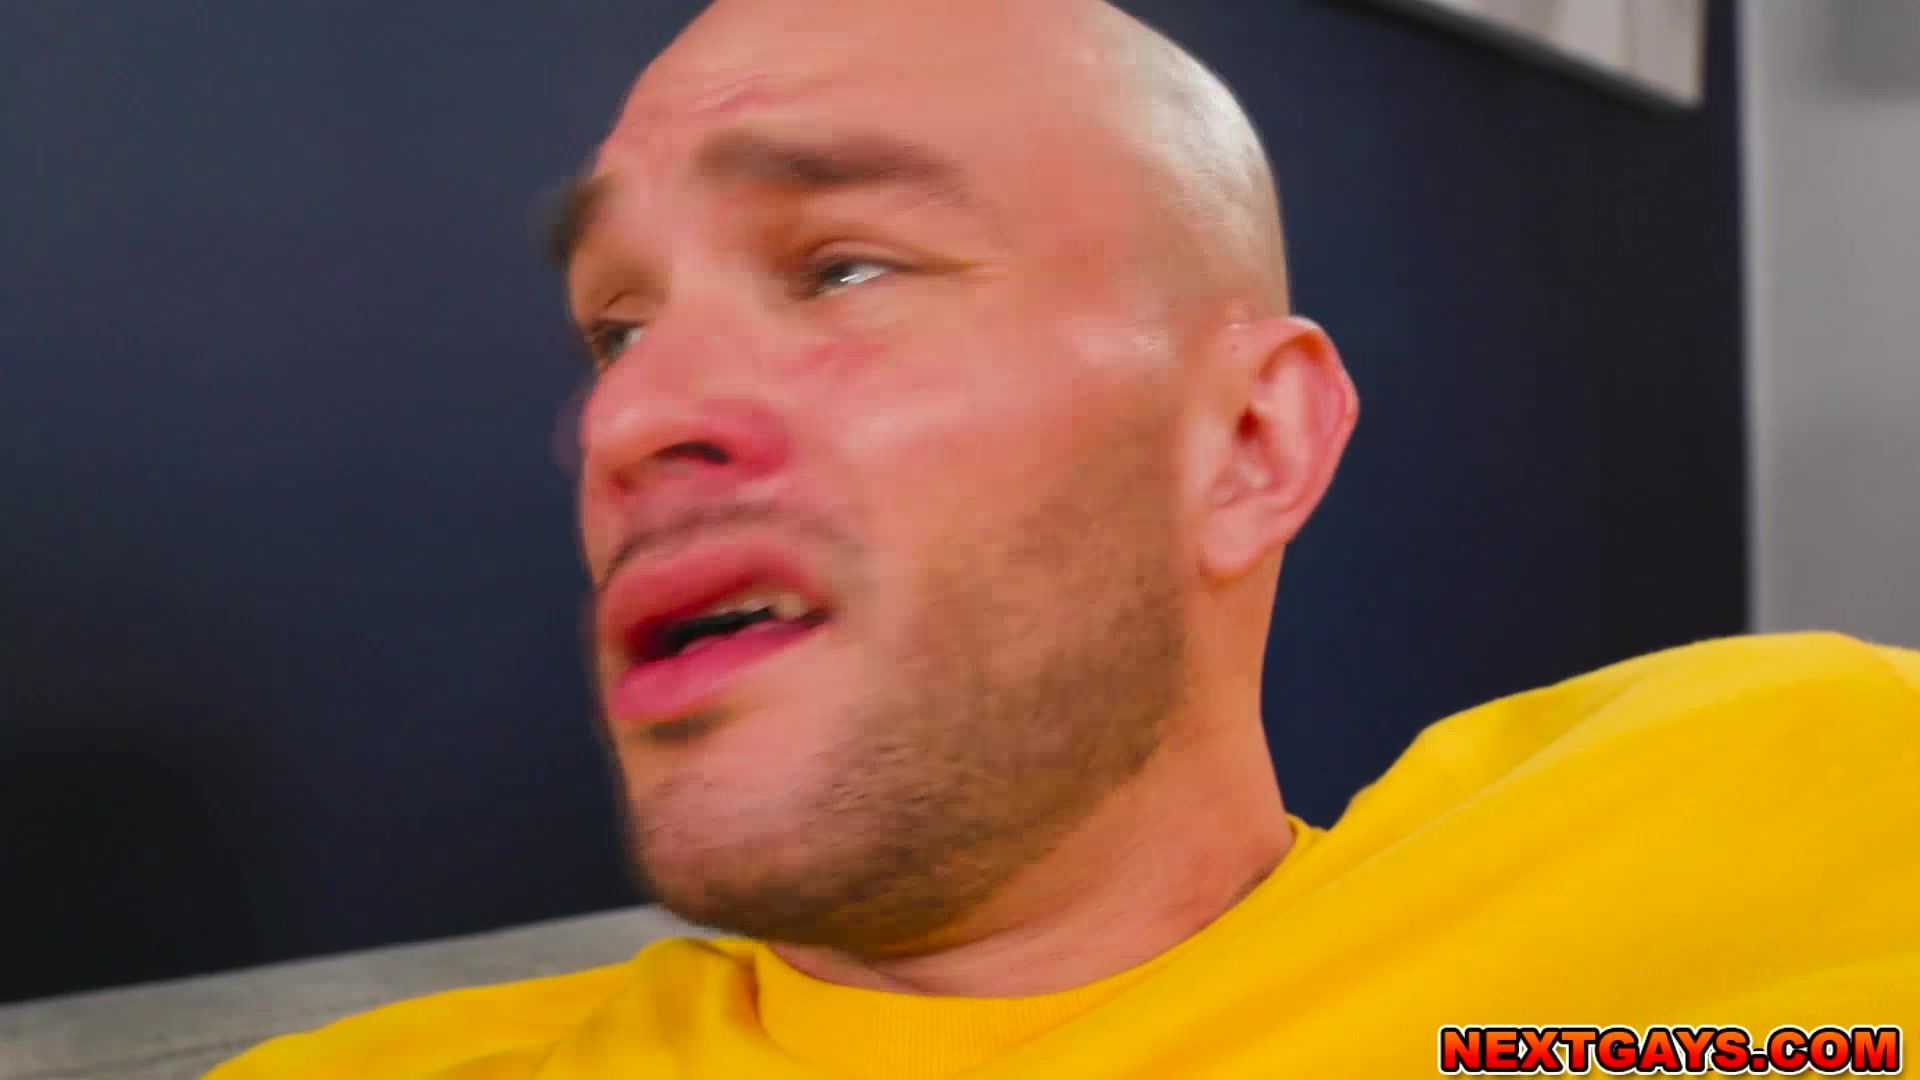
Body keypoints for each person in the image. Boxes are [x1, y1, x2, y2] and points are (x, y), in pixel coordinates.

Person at [212, 0, 1920, 1075]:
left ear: (1248, 445)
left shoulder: (1795, 779)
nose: (624, 419)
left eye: (841, 266)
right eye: (615, 330)